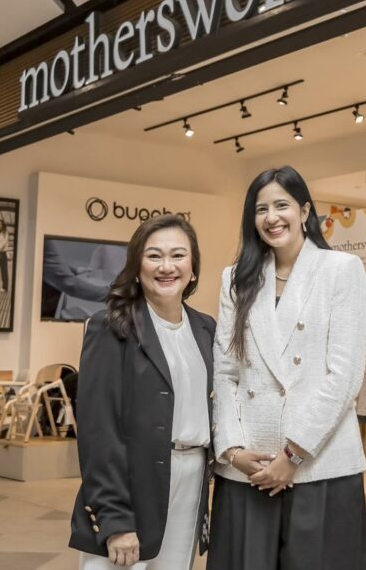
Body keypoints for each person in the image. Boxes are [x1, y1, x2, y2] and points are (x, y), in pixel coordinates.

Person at [210, 166, 366, 570]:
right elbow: (226, 372)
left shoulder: (341, 269)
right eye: (261, 208)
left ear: (304, 211)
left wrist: (293, 456)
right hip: (250, 466)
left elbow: (345, 375)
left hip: (320, 463)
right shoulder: (236, 279)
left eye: (282, 205)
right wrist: (232, 450)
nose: (271, 217)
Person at [69, 214, 215, 569]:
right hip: (133, 485)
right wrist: (115, 518)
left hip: (191, 478)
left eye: (178, 255)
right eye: (154, 256)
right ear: (137, 266)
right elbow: (97, 430)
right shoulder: (111, 326)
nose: (167, 266)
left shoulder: (205, 329)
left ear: (193, 268)